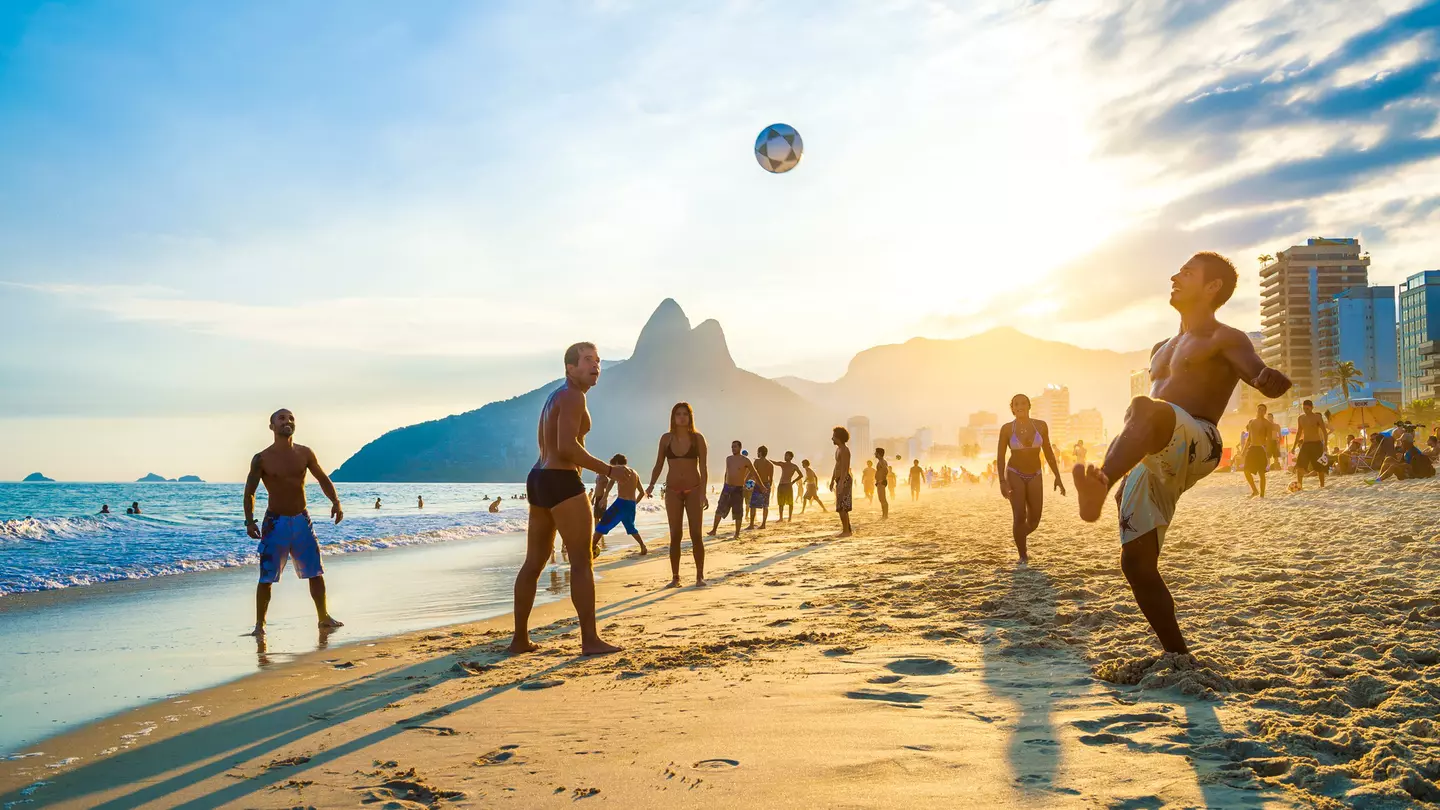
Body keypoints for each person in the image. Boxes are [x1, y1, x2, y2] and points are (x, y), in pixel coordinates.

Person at [1073, 252, 1291, 654]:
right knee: (1136, 566)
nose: (1175, 276)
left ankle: (1102, 483)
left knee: (1143, 406)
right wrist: (1129, 461)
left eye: (1187, 273)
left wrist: (1268, 381)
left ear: (1213, 287)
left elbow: (1254, 372)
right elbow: (1141, 421)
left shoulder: (1225, 337)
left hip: (1200, 441)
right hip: (1154, 454)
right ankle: (1177, 654)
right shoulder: (1161, 347)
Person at [509, 342, 622, 656]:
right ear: (570, 368)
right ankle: (590, 640)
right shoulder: (573, 395)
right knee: (582, 562)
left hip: (538, 478)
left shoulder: (554, 396)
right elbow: (566, 448)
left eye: (597, 360)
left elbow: (555, 446)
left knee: (534, 563)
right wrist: (609, 469)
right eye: (587, 360)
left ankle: (519, 640)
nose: (595, 365)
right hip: (560, 478)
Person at [242, 408, 345, 637]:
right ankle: (260, 625)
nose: (287, 421)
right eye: (281, 418)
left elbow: (322, 478)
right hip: (275, 522)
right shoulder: (262, 459)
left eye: (290, 418)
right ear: (272, 427)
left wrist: (336, 502)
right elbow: (250, 491)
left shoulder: (304, 453)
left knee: (316, 572)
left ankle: (323, 618)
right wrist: (249, 521)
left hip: (301, 520)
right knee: (266, 576)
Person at [647, 402, 710, 588]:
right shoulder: (666, 439)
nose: (682, 417)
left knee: (696, 534)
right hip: (673, 491)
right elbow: (659, 464)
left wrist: (703, 493)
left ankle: (699, 576)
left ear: (690, 417)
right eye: (678, 414)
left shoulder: (698, 439)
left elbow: (704, 468)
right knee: (675, 535)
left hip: (694, 489)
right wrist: (651, 485)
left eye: (685, 414)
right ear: (673, 417)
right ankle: (675, 578)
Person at [996, 394, 1065, 566]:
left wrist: (1057, 476)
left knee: (1035, 520)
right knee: (1019, 516)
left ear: (1029, 405)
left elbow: (1048, 452)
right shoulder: (1006, 429)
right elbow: (1000, 456)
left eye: (1023, 403)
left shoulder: (1041, 426)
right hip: (1014, 473)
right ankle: (1023, 555)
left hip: (1035, 473)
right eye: (1016, 404)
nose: (1020, 406)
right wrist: (1002, 482)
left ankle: (1019, 535)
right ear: (1012, 408)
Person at [709, 441, 765, 541]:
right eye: (732, 447)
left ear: (740, 448)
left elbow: (755, 474)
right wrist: (724, 484)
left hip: (738, 489)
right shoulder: (728, 459)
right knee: (720, 508)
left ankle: (737, 533)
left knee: (738, 512)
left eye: (735, 447)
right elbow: (727, 473)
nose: (733, 448)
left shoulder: (745, 460)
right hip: (727, 487)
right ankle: (713, 530)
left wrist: (762, 486)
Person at [593, 454, 648, 556]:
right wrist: (634, 503)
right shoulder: (635, 473)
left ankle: (591, 546)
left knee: (603, 524)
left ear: (617, 462)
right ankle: (642, 546)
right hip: (631, 505)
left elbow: (611, 482)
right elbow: (641, 492)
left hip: (621, 503)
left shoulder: (619, 469)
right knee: (631, 527)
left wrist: (604, 497)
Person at [1292, 400, 1329, 490]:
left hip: (1317, 444)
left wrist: (1325, 445)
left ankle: (1322, 486)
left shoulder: (1317, 417)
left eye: (1307, 408)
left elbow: (1324, 432)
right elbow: (1298, 432)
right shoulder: (1300, 418)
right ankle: (1299, 486)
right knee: (1299, 466)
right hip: (1306, 444)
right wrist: (1293, 446)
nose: (1306, 410)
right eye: (1304, 408)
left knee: (1319, 467)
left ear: (1312, 407)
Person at [1241, 404, 1273, 497]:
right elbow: (1249, 438)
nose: (1260, 411)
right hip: (1252, 448)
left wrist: (1268, 451)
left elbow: (1269, 439)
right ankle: (1255, 491)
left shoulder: (1267, 423)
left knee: (1261, 473)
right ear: (1257, 410)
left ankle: (1262, 494)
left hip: (1260, 448)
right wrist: (1243, 451)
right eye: (1259, 409)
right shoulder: (1252, 422)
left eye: (1263, 410)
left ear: (1265, 412)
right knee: (1246, 471)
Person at [830, 426, 854, 537]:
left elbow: (845, 467)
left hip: (844, 479)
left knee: (842, 507)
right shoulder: (838, 449)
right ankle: (847, 529)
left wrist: (841, 483)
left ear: (838, 437)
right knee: (840, 506)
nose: (832, 439)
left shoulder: (844, 450)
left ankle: (846, 531)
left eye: (834, 437)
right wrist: (832, 480)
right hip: (839, 479)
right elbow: (836, 466)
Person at [749, 446, 777, 529]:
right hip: (767, 484)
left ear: (760, 453)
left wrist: (746, 482)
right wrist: (769, 487)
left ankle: (751, 524)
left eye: (758, 452)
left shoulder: (757, 462)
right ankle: (763, 524)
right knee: (765, 505)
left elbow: (753, 474)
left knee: (753, 505)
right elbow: (771, 478)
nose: (757, 453)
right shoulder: (770, 464)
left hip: (758, 484)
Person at [773, 451, 803, 522]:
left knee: (790, 503)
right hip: (781, 485)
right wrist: (768, 460)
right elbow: (775, 463)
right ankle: (781, 518)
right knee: (781, 503)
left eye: (786, 455)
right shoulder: (783, 464)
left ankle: (790, 518)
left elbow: (801, 475)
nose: (785, 456)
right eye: (785, 455)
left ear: (790, 457)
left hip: (787, 485)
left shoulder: (794, 466)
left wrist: (793, 481)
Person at [874, 448, 891, 519]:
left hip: (881, 481)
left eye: (875, 453)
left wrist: (882, 479)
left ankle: (885, 515)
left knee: (883, 499)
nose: (874, 454)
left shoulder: (882, 461)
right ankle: (884, 514)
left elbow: (886, 470)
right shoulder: (881, 461)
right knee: (881, 499)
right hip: (879, 481)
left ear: (878, 454)